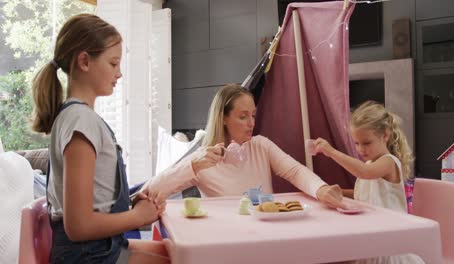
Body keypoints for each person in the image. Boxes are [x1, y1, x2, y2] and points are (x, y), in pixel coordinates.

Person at [31, 14, 169, 264]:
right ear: (84, 61)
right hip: (88, 256)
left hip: (100, 249)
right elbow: (79, 226)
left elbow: (93, 201)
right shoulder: (81, 121)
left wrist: (132, 202)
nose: (120, 74)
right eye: (113, 63)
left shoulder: (76, 117)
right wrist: (138, 217)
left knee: (177, 253)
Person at [142, 83, 345, 209]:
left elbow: (295, 171)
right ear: (223, 118)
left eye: (253, 115)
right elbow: (150, 191)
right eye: (243, 116)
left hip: (266, 232)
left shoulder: (261, 146)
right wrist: (193, 166)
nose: (251, 123)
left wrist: (321, 189)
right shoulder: (203, 159)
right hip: (227, 238)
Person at [310, 101, 424, 264]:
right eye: (356, 143)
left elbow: (365, 173)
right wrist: (339, 192)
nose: (361, 149)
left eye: (366, 143)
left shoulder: (388, 162)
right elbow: (364, 193)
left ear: (385, 135)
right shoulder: (370, 165)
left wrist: (331, 152)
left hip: (389, 244)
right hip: (372, 237)